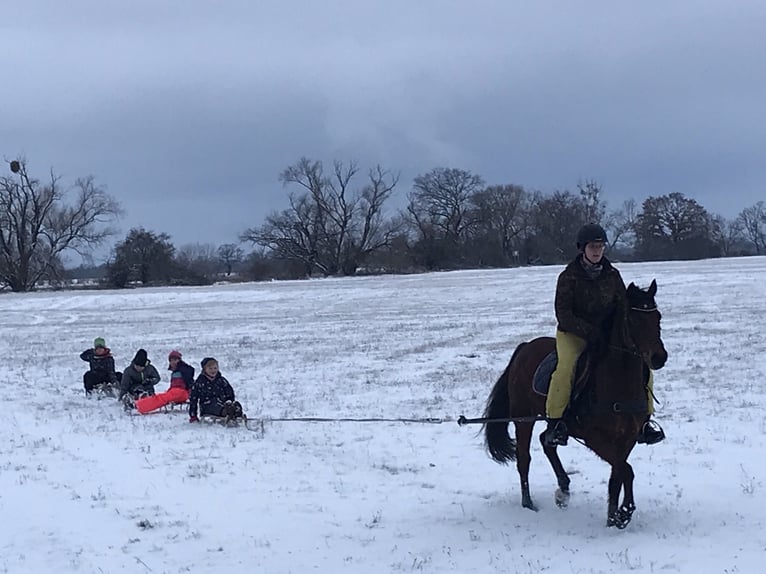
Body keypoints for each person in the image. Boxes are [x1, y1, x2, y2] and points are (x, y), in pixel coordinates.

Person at [543, 223, 665, 447]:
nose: (597, 251)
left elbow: (621, 306)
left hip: (606, 334)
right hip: (573, 334)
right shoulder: (568, 277)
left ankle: (645, 422)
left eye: (600, 246)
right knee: (566, 368)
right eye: (593, 247)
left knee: (642, 366)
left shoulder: (612, 274)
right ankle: (556, 423)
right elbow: (564, 314)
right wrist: (590, 332)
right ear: (583, 248)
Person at [188, 357, 243, 422]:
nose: (213, 370)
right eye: (210, 368)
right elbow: (193, 399)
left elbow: (229, 392)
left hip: (222, 402)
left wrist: (229, 401)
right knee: (214, 405)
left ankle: (235, 412)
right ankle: (226, 412)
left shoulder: (221, 380)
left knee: (235, 405)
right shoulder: (200, 382)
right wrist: (193, 415)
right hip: (207, 406)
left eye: (215, 368)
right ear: (204, 369)